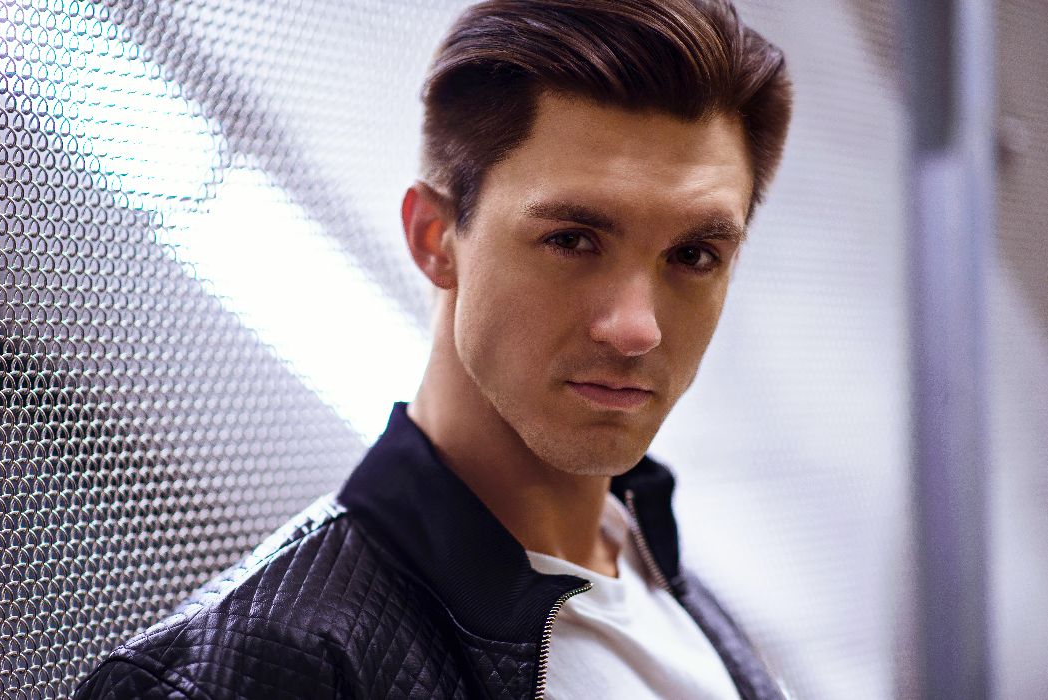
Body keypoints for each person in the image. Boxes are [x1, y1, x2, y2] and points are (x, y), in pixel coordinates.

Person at [76, 0, 793, 698]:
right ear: (434, 238)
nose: (636, 328)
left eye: (693, 255)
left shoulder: (657, 565)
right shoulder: (247, 669)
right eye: (572, 240)